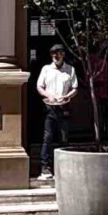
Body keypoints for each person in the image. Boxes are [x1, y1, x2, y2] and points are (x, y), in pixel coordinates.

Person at [35, 44, 79, 179]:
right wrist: (48, 95)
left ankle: (63, 167)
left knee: (64, 137)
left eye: (58, 53)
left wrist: (67, 96)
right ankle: (45, 167)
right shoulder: (46, 69)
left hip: (63, 106)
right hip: (50, 107)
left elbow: (75, 88)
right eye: (53, 54)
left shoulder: (70, 69)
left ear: (63, 54)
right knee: (48, 137)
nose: (55, 56)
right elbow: (39, 86)